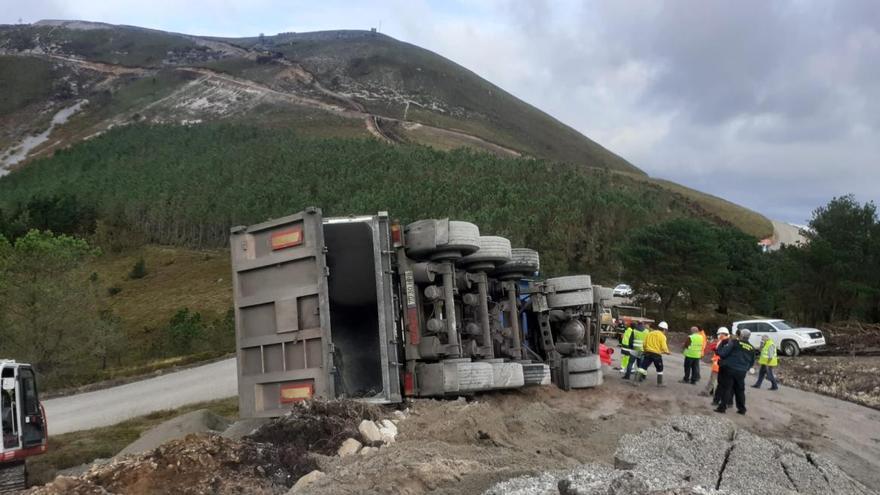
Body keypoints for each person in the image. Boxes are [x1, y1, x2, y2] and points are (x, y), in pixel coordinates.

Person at [714, 329, 755, 415]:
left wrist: (719, 349)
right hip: (741, 371)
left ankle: (722, 407)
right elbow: (751, 362)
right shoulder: (751, 348)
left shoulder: (735, 342)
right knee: (740, 390)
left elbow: (723, 353)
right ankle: (742, 409)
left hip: (730, 368)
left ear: (741, 335)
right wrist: (745, 368)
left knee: (727, 388)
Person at [634, 321, 671, 387]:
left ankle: (636, 381)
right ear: (664, 329)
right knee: (660, 369)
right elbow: (664, 346)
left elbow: (644, 343)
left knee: (643, 367)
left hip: (647, 353)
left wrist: (645, 350)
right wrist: (667, 351)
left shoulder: (650, 333)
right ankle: (659, 383)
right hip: (656, 354)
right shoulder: (662, 336)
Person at [700, 327, 730, 402]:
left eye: (719, 334)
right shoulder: (728, 342)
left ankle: (707, 391)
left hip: (718, 364)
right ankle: (712, 391)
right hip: (723, 364)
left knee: (712, 379)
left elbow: (716, 349)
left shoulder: (722, 342)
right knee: (720, 380)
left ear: (721, 334)